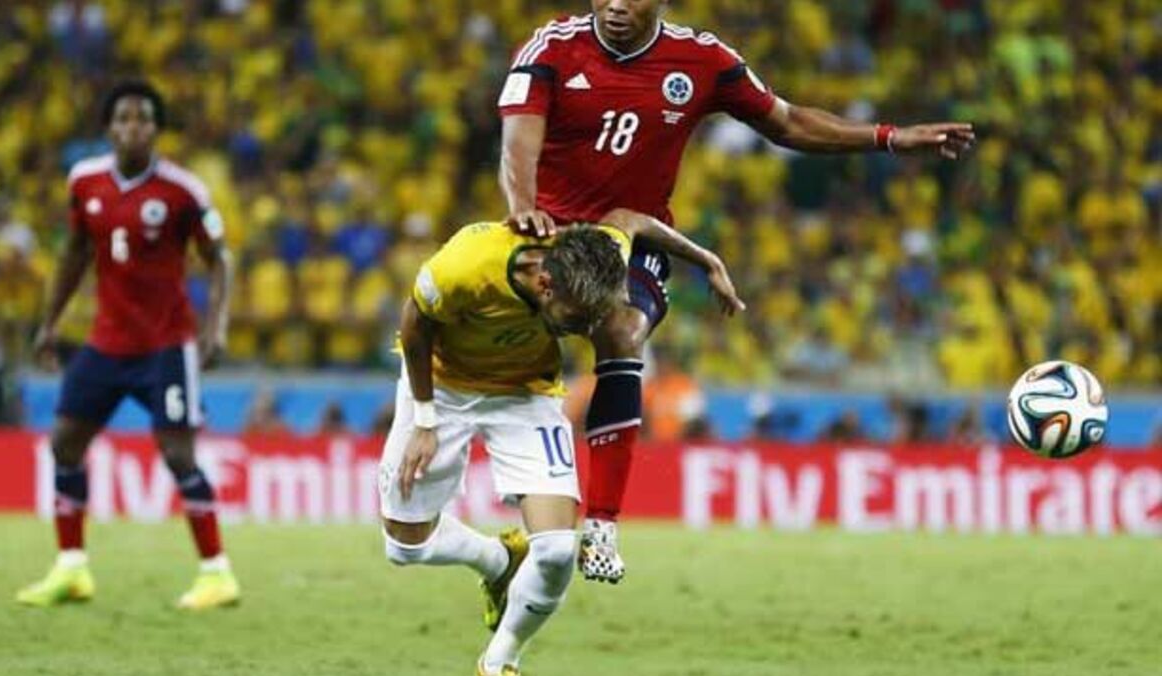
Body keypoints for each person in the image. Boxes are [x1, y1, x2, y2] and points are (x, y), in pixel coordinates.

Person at [498, 0, 976, 583]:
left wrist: (889, 138)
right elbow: (518, 146)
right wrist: (524, 213)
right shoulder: (551, 48)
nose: (615, 4)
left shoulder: (701, 60)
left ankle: (601, 525)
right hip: (551, 235)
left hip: (639, 238)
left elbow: (788, 123)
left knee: (622, 329)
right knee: (501, 350)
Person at [379, 210, 741, 676]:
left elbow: (632, 220)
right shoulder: (466, 263)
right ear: (546, 285)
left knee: (555, 551)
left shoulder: (600, 253)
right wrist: (425, 421)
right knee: (405, 548)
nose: (582, 331)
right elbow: (415, 323)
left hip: (526, 394)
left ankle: (500, 662)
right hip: (444, 388)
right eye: (576, 319)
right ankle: (500, 560)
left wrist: (706, 259)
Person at [16, 81, 237, 610]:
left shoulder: (183, 191)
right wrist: (49, 323)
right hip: (107, 342)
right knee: (65, 443)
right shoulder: (84, 181)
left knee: (177, 454)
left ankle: (217, 574)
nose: (133, 127)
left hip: (166, 344)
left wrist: (216, 328)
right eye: (123, 118)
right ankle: (71, 568)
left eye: (143, 119)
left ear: (157, 129)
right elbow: (74, 252)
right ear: (109, 128)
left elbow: (220, 260)